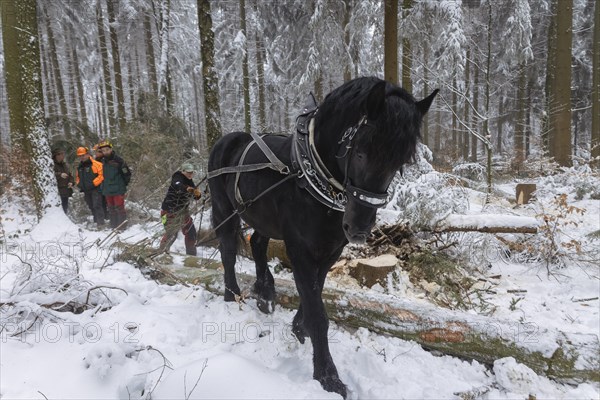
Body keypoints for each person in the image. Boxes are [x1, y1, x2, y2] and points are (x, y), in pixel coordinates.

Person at [158, 163, 201, 255]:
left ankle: (191, 256)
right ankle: (161, 253)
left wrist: (197, 194)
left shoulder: (190, 181)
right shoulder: (177, 177)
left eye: (191, 172)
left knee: (191, 232)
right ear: (183, 171)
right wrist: (187, 189)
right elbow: (178, 186)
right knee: (172, 234)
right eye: (188, 172)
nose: (190, 174)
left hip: (183, 212)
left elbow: (195, 196)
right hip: (168, 211)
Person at [97, 140, 131, 229]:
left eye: (107, 150)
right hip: (107, 189)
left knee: (119, 207)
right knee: (111, 208)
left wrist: (123, 185)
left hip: (118, 189)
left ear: (111, 149)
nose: (105, 152)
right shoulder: (101, 161)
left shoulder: (119, 161)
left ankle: (122, 227)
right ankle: (113, 226)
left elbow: (127, 174)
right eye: (103, 151)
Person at [75, 146, 105, 226]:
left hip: (96, 189)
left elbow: (101, 175)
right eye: (80, 156)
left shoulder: (97, 164)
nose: (82, 157)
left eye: (83, 155)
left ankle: (101, 223)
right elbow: (77, 177)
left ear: (87, 154)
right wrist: (79, 184)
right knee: (91, 206)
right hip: (86, 190)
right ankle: (96, 221)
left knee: (97, 205)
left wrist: (93, 183)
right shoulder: (80, 167)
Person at [52, 148, 74, 213]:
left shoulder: (64, 165)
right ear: (56, 156)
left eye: (63, 154)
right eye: (60, 154)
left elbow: (70, 175)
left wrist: (71, 182)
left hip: (65, 191)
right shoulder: (52, 164)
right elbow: (50, 175)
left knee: (65, 208)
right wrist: (60, 175)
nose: (63, 156)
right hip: (57, 192)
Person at [92, 144, 109, 217]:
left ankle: (107, 216)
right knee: (100, 202)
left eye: (99, 151)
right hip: (98, 185)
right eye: (96, 151)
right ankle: (104, 216)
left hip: (106, 184)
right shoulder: (94, 161)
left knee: (107, 201)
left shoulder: (106, 160)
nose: (97, 153)